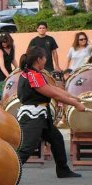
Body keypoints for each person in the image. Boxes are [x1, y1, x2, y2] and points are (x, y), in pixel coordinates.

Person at [16, 46, 86, 178]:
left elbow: (53, 89)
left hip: (41, 114)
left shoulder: (34, 74)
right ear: (39, 59)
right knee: (27, 149)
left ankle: (63, 170)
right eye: (45, 58)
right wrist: (76, 104)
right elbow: (55, 95)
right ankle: (5, 174)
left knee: (57, 139)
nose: (45, 61)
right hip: (33, 116)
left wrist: (73, 96)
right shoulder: (32, 75)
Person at [0, 32, 18, 102]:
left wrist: (18, 68)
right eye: (2, 42)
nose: (3, 44)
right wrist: (8, 76)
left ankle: (8, 99)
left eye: (5, 42)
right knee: (0, 88)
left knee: (10, 85)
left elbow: (13, 59)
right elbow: (2, 66)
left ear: (9, 41)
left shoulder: (12, 47)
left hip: (8, 68)